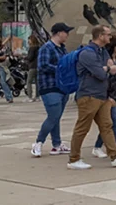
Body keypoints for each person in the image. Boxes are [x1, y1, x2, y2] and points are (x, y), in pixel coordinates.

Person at [67, 26, 116, 169]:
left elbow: (112, 68)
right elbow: (102, 73)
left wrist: (107, 68)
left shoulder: (102, 51)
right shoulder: (87, 53)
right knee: (82, 127)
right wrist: (107, 68)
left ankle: (115, 155)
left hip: (102, 95)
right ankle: (73, 159)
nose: (110, 38)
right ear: (100, 36)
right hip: (88, 95)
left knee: (106, 125)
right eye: (108, 35)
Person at [32, 23, 72, 156]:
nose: (67, 35)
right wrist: (61, 69)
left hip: (62, 87)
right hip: (49, 87)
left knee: (56, 117)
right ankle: (38, 142)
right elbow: (43, 66)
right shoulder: (47, 48)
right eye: (66, 32)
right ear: (59, 33)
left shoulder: (63, 49)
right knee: (53, 116)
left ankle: (57, 144)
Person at [92, 35, 116, 159]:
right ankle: (114, 151)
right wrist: (109, 96)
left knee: (109, 124)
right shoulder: (105, 61)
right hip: (108, 96)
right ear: (114, 47)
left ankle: (98, 146)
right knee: (114, 123)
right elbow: (104, 79)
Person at [25, 34, 41, 102]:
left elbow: (30, 57)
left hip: (32, 66)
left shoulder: (32, 48)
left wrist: (25, 57)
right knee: (37, 82)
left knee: (29, 82)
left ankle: (30, 96)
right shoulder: (39, 47)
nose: (28, 41)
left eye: (29, 40)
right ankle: (37, 96)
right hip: (38, 66)